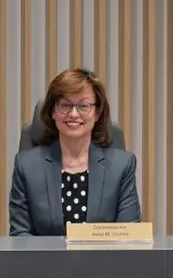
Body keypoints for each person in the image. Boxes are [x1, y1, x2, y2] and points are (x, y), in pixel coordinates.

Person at [9, 68, 141, 236]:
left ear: (97, 113)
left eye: (83, 106)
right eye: (65, 105)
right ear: (53, 112)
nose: (73, 114)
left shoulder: (122, 166)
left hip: (105, 262)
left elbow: (129, 236)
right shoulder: (26, 166)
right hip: (43, 263)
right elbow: (21, 236)